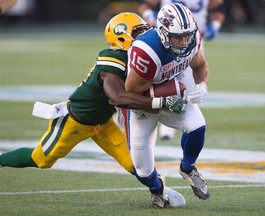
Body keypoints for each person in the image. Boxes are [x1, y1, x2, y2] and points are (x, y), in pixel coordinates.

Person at [0, 13, 187, 207]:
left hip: (104, 123)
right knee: (41, 159)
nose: (145, 35)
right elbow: (118, 97)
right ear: (121, 35)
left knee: (135, 162)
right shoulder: (112, 58)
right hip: (75, 120)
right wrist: (160, 103)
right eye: (139, 31)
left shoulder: (137, 56)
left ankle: (159, 192)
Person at [125, 3, 210, 207]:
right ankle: (157, 190)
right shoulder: (148, 51)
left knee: (198, 126)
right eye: (176, 37)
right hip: (142, 106)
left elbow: (200, 66)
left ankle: (188, 168)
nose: (183, 41)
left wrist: (202, 85)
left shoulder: (192, 36)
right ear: (163, 33)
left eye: (186, 36)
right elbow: (129, 95)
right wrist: (161, 102)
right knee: (143, 170)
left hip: (171, 95)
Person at [138, 0, 225, 140]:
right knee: (161, 80)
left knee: (189, 91)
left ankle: (190, 128)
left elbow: (219, 8)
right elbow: (144, 3)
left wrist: (215, 25)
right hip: (167, 39)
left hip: (193, 38)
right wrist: (148, 14)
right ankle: (158, 125)